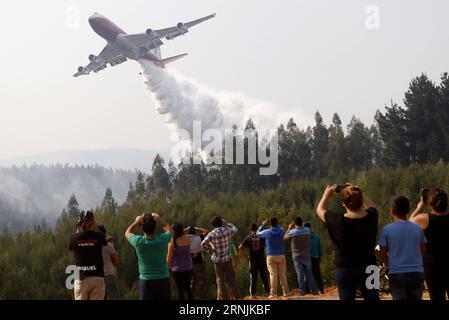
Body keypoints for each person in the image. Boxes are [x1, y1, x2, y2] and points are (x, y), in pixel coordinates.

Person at [316, 184, 379, 300]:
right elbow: (372, 206)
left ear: (343, 203)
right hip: (370, 266)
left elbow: (319, 210)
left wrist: (326, 195)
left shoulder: (337, 220)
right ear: (361, 201)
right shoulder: (371, 217)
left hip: (345, 269)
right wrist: (358, 192)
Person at [378, 196, 427, 300]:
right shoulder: (417, 228)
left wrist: (387, 263)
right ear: (408, 210)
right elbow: (423, 248)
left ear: (392, 211)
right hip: (416, 271)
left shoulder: (387, 230)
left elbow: (382, 251)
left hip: (397, 272)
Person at [409, 188, 449, 300]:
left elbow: (410, 222)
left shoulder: (424, 219)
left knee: (436, 296)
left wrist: (420, 206)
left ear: (430, 203)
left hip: (433, 267)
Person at [125, 213, 172, 300]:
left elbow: (127, 232)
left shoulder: (138, 241)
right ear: (155, 228)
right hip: (163, 279)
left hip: (146, 281)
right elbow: (169, 230)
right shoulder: (162, 239)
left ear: (142, 228)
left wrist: (136, 221)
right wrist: (159, 218)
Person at [69, 211, 107, 300]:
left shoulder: (73, 238)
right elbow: (104, 241)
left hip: (81, 277)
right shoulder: (100, 236)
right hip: (97, 276)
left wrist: (78, 232)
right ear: (92, 222)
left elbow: (71, 248)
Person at [201, 216, 238, 300]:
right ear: (221, 222)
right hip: (227, 258)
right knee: (231, 278)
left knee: (220, 280)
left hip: (217, 260)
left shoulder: (211, 234)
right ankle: (235, 297)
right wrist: (227, 223)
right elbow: (235, 229)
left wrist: (209, 250)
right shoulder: (227, 231)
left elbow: (203, 244)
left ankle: (223, 298)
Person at [285, 217, 319, 296]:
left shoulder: (292, 232)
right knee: (309, 274)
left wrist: (289, 228)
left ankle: (302, 291)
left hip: (297, 256)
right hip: (306, 255)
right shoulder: (307, 230)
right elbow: (310, 231)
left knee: (300, 274)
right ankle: (314, 290)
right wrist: (302, 225)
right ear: (302, 223)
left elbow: (285, 237)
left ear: (295, 224)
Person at [257, 217, 290, 298]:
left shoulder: (267, 232)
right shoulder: (281, 230)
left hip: (271, 255)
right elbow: (280, 229)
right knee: (282, 274)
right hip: (281, 255)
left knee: (273, 275)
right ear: (277, 223)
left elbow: (257, 233)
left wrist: (263, 224)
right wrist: (275, 224)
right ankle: (286, 292)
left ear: (270, 224)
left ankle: (273, 294)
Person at [239, 223, 270, 297]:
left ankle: (253, 294)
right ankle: (268, 292)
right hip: (262, 260)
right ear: (257, 229)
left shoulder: (248, 238)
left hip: (253, 260)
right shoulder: (261, 236)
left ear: (250, 230)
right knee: (264, 276)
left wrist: (246, 256)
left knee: (253, 278)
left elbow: (240, 247)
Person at [167, 222, 193, 300]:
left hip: (176, 268)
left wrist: (168, 266)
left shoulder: (172, 242)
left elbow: (169, 257)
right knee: (188, 288)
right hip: (188, 266)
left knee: (180, 289)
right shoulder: (188, 238)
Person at [98, 225, 121, 300]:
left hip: (97, 276)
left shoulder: (93, 246)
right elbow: (117, 259)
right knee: (114, 296)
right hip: (108, 275)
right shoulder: (108, 245)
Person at [186, 226, 209, 299]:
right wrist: (197, 228)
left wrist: (185, 230)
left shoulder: (184, 239)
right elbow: (206, 231)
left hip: (188, 263)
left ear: (188, 232)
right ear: (195, 232)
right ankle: (202, 297)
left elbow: (174, 234)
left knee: (191, 282)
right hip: (199, 262)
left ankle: (191, 297)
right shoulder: (199, 238)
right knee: (201, 281)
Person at [304, 222, 324, 294]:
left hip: (307, 257)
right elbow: (320, 248)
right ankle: (321, 290)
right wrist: (319, 258)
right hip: (316, 257)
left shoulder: (304, 236)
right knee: (317, 275)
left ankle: (307, 290)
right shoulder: (316, 236)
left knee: (307, 274)